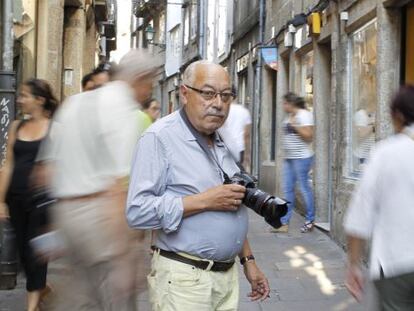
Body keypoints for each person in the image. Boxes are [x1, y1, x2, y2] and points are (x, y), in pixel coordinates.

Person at [126, 60, 270, 311]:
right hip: (184, 281)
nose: (218, 103)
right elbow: (137, 211)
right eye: (207, 93)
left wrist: (248, 260)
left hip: (225, 278)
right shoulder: (159, 138)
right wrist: (204, 200)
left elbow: (231, 201)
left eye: (226, 96)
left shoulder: (217, 137)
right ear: (184, 93)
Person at [46, 49, 159, 310]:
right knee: (117, 298)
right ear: (140, 78)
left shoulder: (75, 103)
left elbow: (48, 169)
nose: (148, 92)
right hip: (101, 219)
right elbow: (117, 185)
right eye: (150, 84)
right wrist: (126, 251)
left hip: (67, 214)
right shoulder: (121, 107)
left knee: (80, 298)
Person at [344, 85, 414, 310]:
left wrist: (354, 264)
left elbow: (360, 215)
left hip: (396, 263)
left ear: (398, 115)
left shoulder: (385, 153)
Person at [0, 79, 58, 311]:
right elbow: (8, 165)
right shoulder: (16, 127)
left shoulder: (55, 128)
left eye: (25, 95)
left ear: (40, 100)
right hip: (16, 199)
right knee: (24, 256)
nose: (20, 99)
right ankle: (43, 289)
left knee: (37, 258)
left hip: (42, 203)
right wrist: (1, 200)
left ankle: (31, 307)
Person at [275, 92, 315, 233]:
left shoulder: (304, 114)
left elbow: (309, 136)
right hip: (290, 158)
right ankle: (284, 223)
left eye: (285, 103)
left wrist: (295, 126)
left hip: (302, 158)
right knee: (287, 190)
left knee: (304, 188)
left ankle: (310, 221)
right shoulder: (289, 116)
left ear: (291, 103)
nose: (283, 106)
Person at [218, 88, 252, 169]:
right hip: (240, 148)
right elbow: (247, 135)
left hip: (224, 147)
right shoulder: (244, 111)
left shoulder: (221, 110)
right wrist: (247, 154)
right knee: (238, 175)